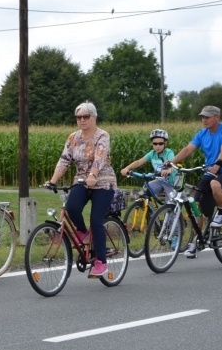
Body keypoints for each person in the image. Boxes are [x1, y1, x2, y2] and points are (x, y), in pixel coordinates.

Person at [45, 101, 117, 278]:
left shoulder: (102, 135)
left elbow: (99, 158)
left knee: (96, 219)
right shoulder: (73, 138)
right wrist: (53, 181)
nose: (82, 120)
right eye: (79, 117)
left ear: (94, 117)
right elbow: (64, 160)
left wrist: (93, 175)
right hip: (82, 180)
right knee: (72, 207)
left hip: (103, 181)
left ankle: (101, 262)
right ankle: (82, 232)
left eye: (86, 116)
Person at [161, 105, 222, 259]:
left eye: (207, 117)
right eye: (202, 117)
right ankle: (196, 242)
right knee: (195, 206)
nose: (204, 120)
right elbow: (188, 149)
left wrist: (217, 166)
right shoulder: (202, 134)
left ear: (217, 117)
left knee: (215, 184)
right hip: (210, 172)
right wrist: (171, 162)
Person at [119, 129, 178, 199]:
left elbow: (171, 162)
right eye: (155, 144)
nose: (157, 146)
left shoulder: (169, 152)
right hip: (160, 180)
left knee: (170, 204)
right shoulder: (152, 153)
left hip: (171, 182)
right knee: (145, 192)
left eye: (160, 143)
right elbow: (139, 162)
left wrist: (168, 170)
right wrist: (127, 168)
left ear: (165, 143)